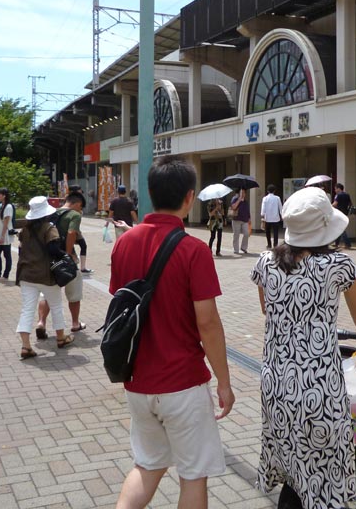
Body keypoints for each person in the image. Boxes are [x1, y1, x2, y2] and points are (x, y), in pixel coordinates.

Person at [110, 156, 235, 509]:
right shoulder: (194, 249)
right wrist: (224, 383)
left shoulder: (124, 243)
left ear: (149, 194)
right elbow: (207, 323)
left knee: (147, 466)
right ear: (189, 197)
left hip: (138, 382)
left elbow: (122, 307)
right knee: (193, 474)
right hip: (183, 384)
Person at [251, 187, 356, 509]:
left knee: (293, 465)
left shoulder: (266, 262)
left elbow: (268, 309)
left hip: (276, 383)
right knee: (322, 470)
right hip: (318, 385)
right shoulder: (339, 264)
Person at [14, 196, 74, 358]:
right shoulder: (49, 228)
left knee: (27, 309)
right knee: (56, 306)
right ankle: (61, 338)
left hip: (26, 275)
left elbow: (21, 251)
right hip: (46, 275)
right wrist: (66, 257)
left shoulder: (24, 231)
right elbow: (54, 250)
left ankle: (26, 346)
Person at [37, 191, 88, 339]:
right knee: (74, 293)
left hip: (49, 259)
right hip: (66, 260)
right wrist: (67, 253)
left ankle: (41, 322)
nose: (80, 211)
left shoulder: (50, 213)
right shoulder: (74, 215)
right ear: (77, 203)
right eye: (81, 207)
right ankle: (75, 323)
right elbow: (72, 232)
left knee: (47, 293)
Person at [0, 188, 15, 280]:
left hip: (5, 235)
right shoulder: (3, 206)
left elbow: (6, 222)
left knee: (6, 255)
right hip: (1, 234)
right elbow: (0, 221)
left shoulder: (8, 207)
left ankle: (5, 275)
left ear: (4, 195)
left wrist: (2, 235)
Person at [260, 184, 283, 249]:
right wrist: (282, 215)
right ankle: (275, 245)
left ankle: (269, 244)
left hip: (267, 218)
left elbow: (263, 208)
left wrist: (262, 215)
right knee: (276, 232)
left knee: (268, 232)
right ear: (274, 191)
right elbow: (280, 208)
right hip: (276, 218)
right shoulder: (277, 198)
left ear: (267, 191)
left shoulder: (265, 198)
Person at [331, 182, 353, 249]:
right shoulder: (347, 195)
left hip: (339, 213)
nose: (335, 190)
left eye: (335, 189)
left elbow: (335, 204)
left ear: (338, 188)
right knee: (339, 228)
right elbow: (350, 204)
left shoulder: (338, 195)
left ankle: (348, 243)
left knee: (341, 229)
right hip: (345, 213)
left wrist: (329, 207)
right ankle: (336, 243)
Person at [230, 188, 250, 255]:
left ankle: (243, 247)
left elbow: (247, 210)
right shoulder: (235, 198)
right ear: (239, 193)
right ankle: (236, 249)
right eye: (242, 192)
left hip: (245, 220)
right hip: (236, 219)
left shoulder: (245, 201)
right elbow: (233, 207)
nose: (243, 194)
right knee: (236, 235)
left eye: (244, 192)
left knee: (247, 233)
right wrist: (239, 199)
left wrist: (249, 218)